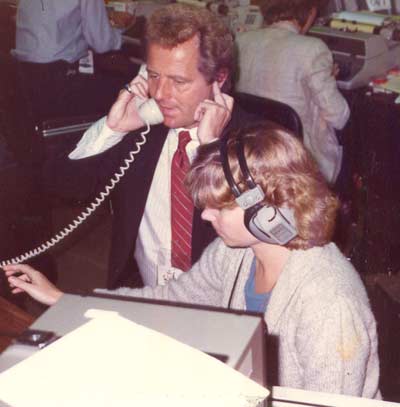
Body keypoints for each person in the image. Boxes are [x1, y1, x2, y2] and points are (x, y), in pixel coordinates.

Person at [4, 123, 381, 397]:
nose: (204, 217)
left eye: (218, 207)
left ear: (267, 211)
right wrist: (65, 299)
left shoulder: (329, 303)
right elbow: (168, 301)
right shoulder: (234, 254)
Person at [42, 3, 252, 289]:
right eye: (153, 76)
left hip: (220, 303)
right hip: (142, 290)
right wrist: (113, 129)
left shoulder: (258, 141)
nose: (161, 94)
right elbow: (62, 185)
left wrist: (212, 147)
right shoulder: (142, 129)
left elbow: (265, 227)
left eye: (179, 81)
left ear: (219, 79)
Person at [235, 0, 350, 185]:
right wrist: (330, 82)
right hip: (300, 162)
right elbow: (339, 117)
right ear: (310, 13)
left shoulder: (241, 42)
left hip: (252, 155)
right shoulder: (312, 48)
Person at [12, 0, 133, 159]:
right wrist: (123, 30)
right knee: (131, 93)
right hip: (58, 85)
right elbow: (102, 43)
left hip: (28, 81)